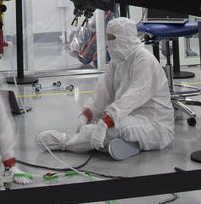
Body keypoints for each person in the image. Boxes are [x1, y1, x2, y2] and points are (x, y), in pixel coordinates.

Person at [36, 17, 174, 160]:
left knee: (112, 128)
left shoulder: (144, 61)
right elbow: (103, 92)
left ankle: (66, 142)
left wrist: (106, 122)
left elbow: (132, 97)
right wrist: (86, 115)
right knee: (95, 126)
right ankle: (121, 144)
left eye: (112, 38)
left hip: (153, 124)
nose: (109, 43)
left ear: (125, 38)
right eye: (107, 38)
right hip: (127, 115)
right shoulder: (117, 60)